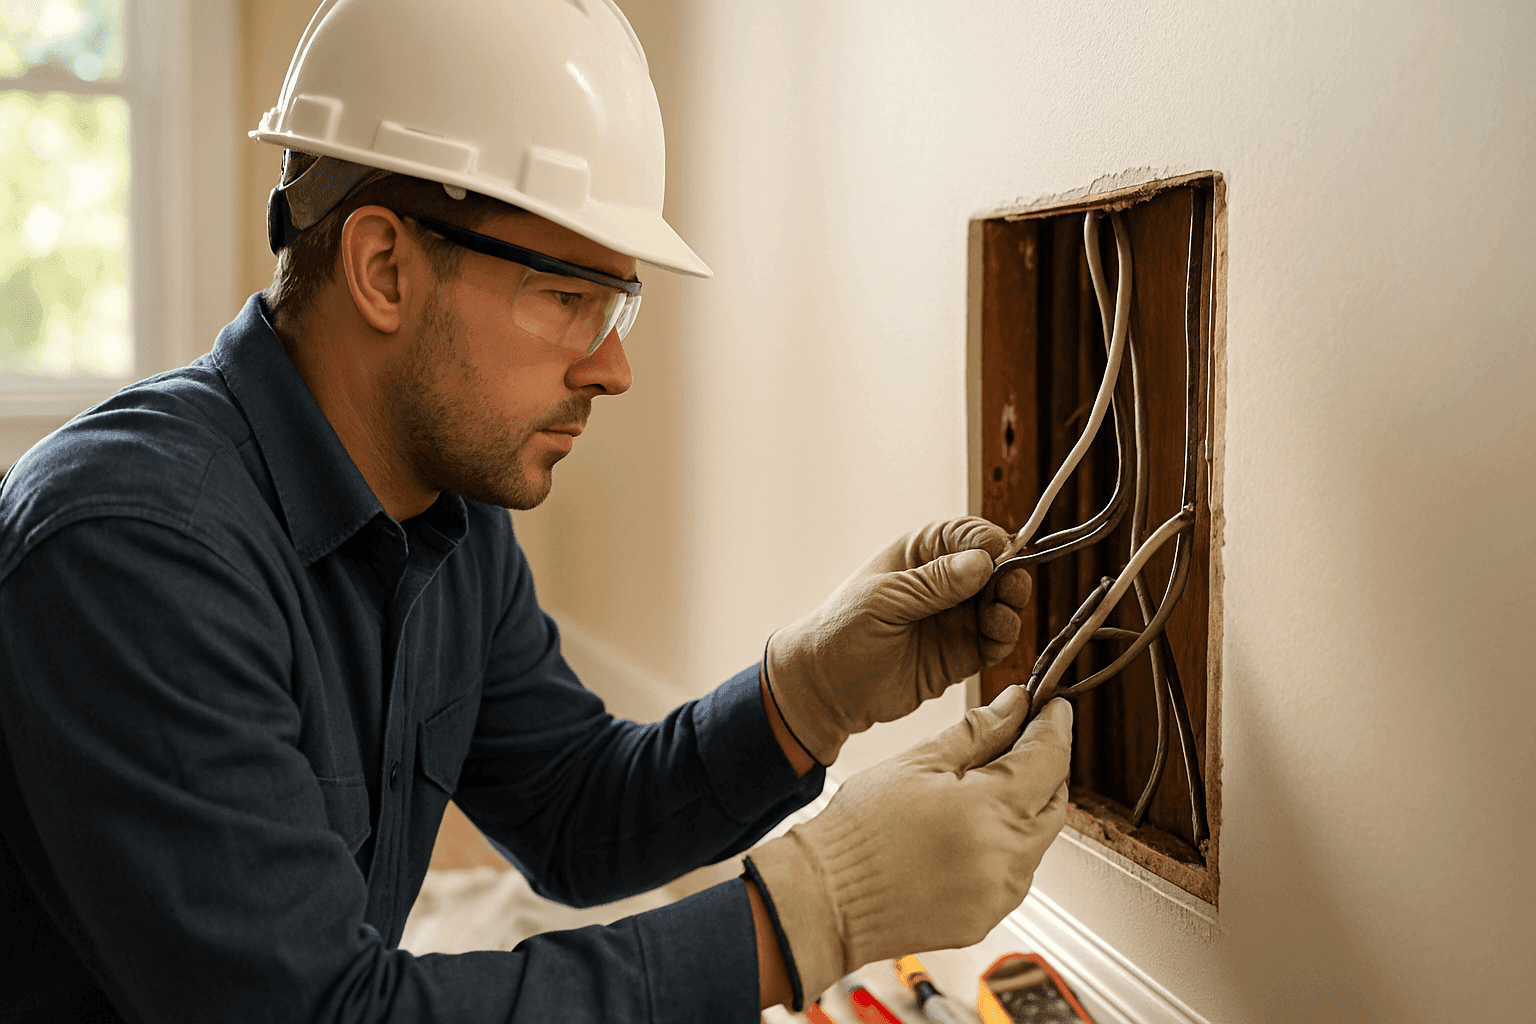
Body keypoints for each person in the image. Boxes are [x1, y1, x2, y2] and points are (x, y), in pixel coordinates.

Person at [0, 1, 1072, 1020]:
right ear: (383, 267)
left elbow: (571, 808)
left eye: (618, 306)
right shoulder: (128, 549)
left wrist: (807, 694)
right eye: (571, 300)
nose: (614, 369)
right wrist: (813, 910)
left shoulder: (445, 518)